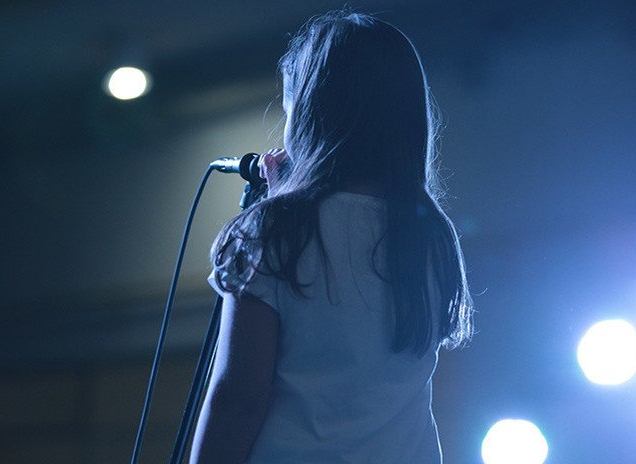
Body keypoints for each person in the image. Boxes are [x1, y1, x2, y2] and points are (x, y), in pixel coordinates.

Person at [190, 10, 472, 464]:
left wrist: (273, 210)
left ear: (309, 114)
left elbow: (239, 397)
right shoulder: (431, 237)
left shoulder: (272, 232)